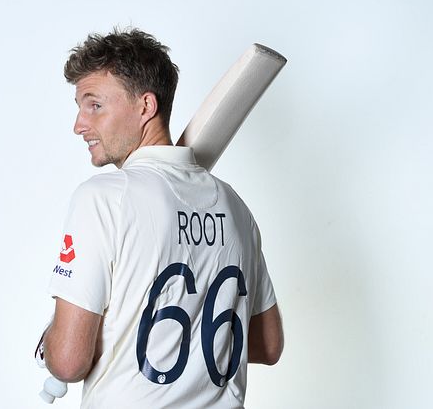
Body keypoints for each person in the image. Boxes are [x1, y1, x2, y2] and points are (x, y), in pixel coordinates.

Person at [43, 28, 283, 408]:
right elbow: (267, 345)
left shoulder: (104, 199)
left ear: (145, 106)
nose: (79, 124)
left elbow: (69, 362)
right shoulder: (236, 208)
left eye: (94, 106)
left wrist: (56, 339)